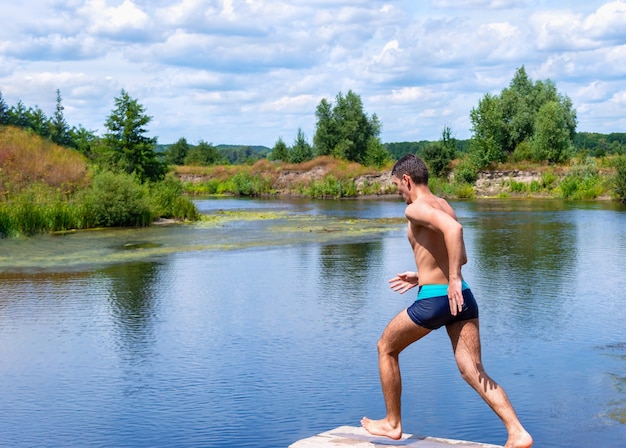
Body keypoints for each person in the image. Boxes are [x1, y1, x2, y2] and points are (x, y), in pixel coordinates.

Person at [361, 154, 533, 448]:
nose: (398, 194)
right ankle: (517, 432)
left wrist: (449, 278)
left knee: (386, 347)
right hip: (463, 298)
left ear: (407, 180)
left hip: (438, 299)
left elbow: (455, 232)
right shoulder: (444, 205)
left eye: (397, 187)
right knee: (473, 370)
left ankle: (392, 423)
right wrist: (422, 275)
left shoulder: (415, 209)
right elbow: (460, 255)